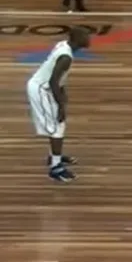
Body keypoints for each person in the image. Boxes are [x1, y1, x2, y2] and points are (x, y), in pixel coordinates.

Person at [26, 27, 91, 183]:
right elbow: (53, 81)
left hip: (45, 87)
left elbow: (57, 78)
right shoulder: (65, 57)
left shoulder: (64, 45)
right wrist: (61, 106)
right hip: (42, 89)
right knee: (57, 127)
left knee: (57, 125)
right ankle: (56, 168)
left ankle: (54, 155)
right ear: (77, 39)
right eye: (86, 36)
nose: (89, 39)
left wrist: (63, 95)